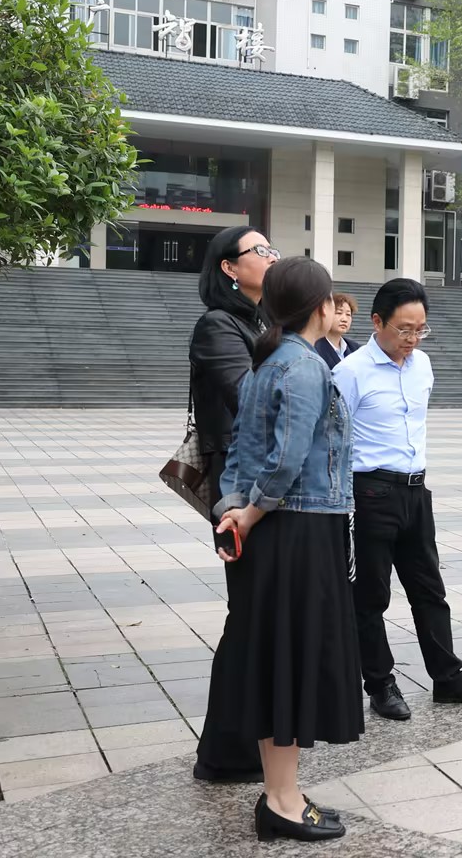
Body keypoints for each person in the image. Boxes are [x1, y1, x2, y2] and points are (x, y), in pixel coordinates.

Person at [210, 257, 360, 842]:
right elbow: (287, 458)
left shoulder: (266, 362)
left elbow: (240, 451)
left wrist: (235, 510)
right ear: (322, 305)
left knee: (279, 665)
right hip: (299, 529)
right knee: (292, 663)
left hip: (276, 532)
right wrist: (250, 512)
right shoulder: (303, 366)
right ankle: (280, 799)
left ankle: (284, 794)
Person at [334, 279, 462, 722]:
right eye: (404, 329)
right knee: (371, 596)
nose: (412, 339)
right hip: (370, 493)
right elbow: (332, 437)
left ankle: (447, 678)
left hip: (415, 491)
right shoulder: (351, 372)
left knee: (430, 590)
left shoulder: (422, 365)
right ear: (377, 322)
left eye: (420, 329)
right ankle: (380, 684)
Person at [192, 225, 277, 784]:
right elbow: (251, 399)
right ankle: (224, 752)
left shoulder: (263, 322)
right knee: (248, 613)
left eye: (272, 249)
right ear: (230, 267)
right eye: (260, 251)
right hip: (239, 488)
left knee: (259, 614)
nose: (271, 257)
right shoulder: (219, 325)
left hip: (264, 482)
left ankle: (249, 741)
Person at [314, 292, 362, 368]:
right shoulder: (315, 348)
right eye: (339, 313)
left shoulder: (356, 349)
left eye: (348, 314)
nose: (344, 319)